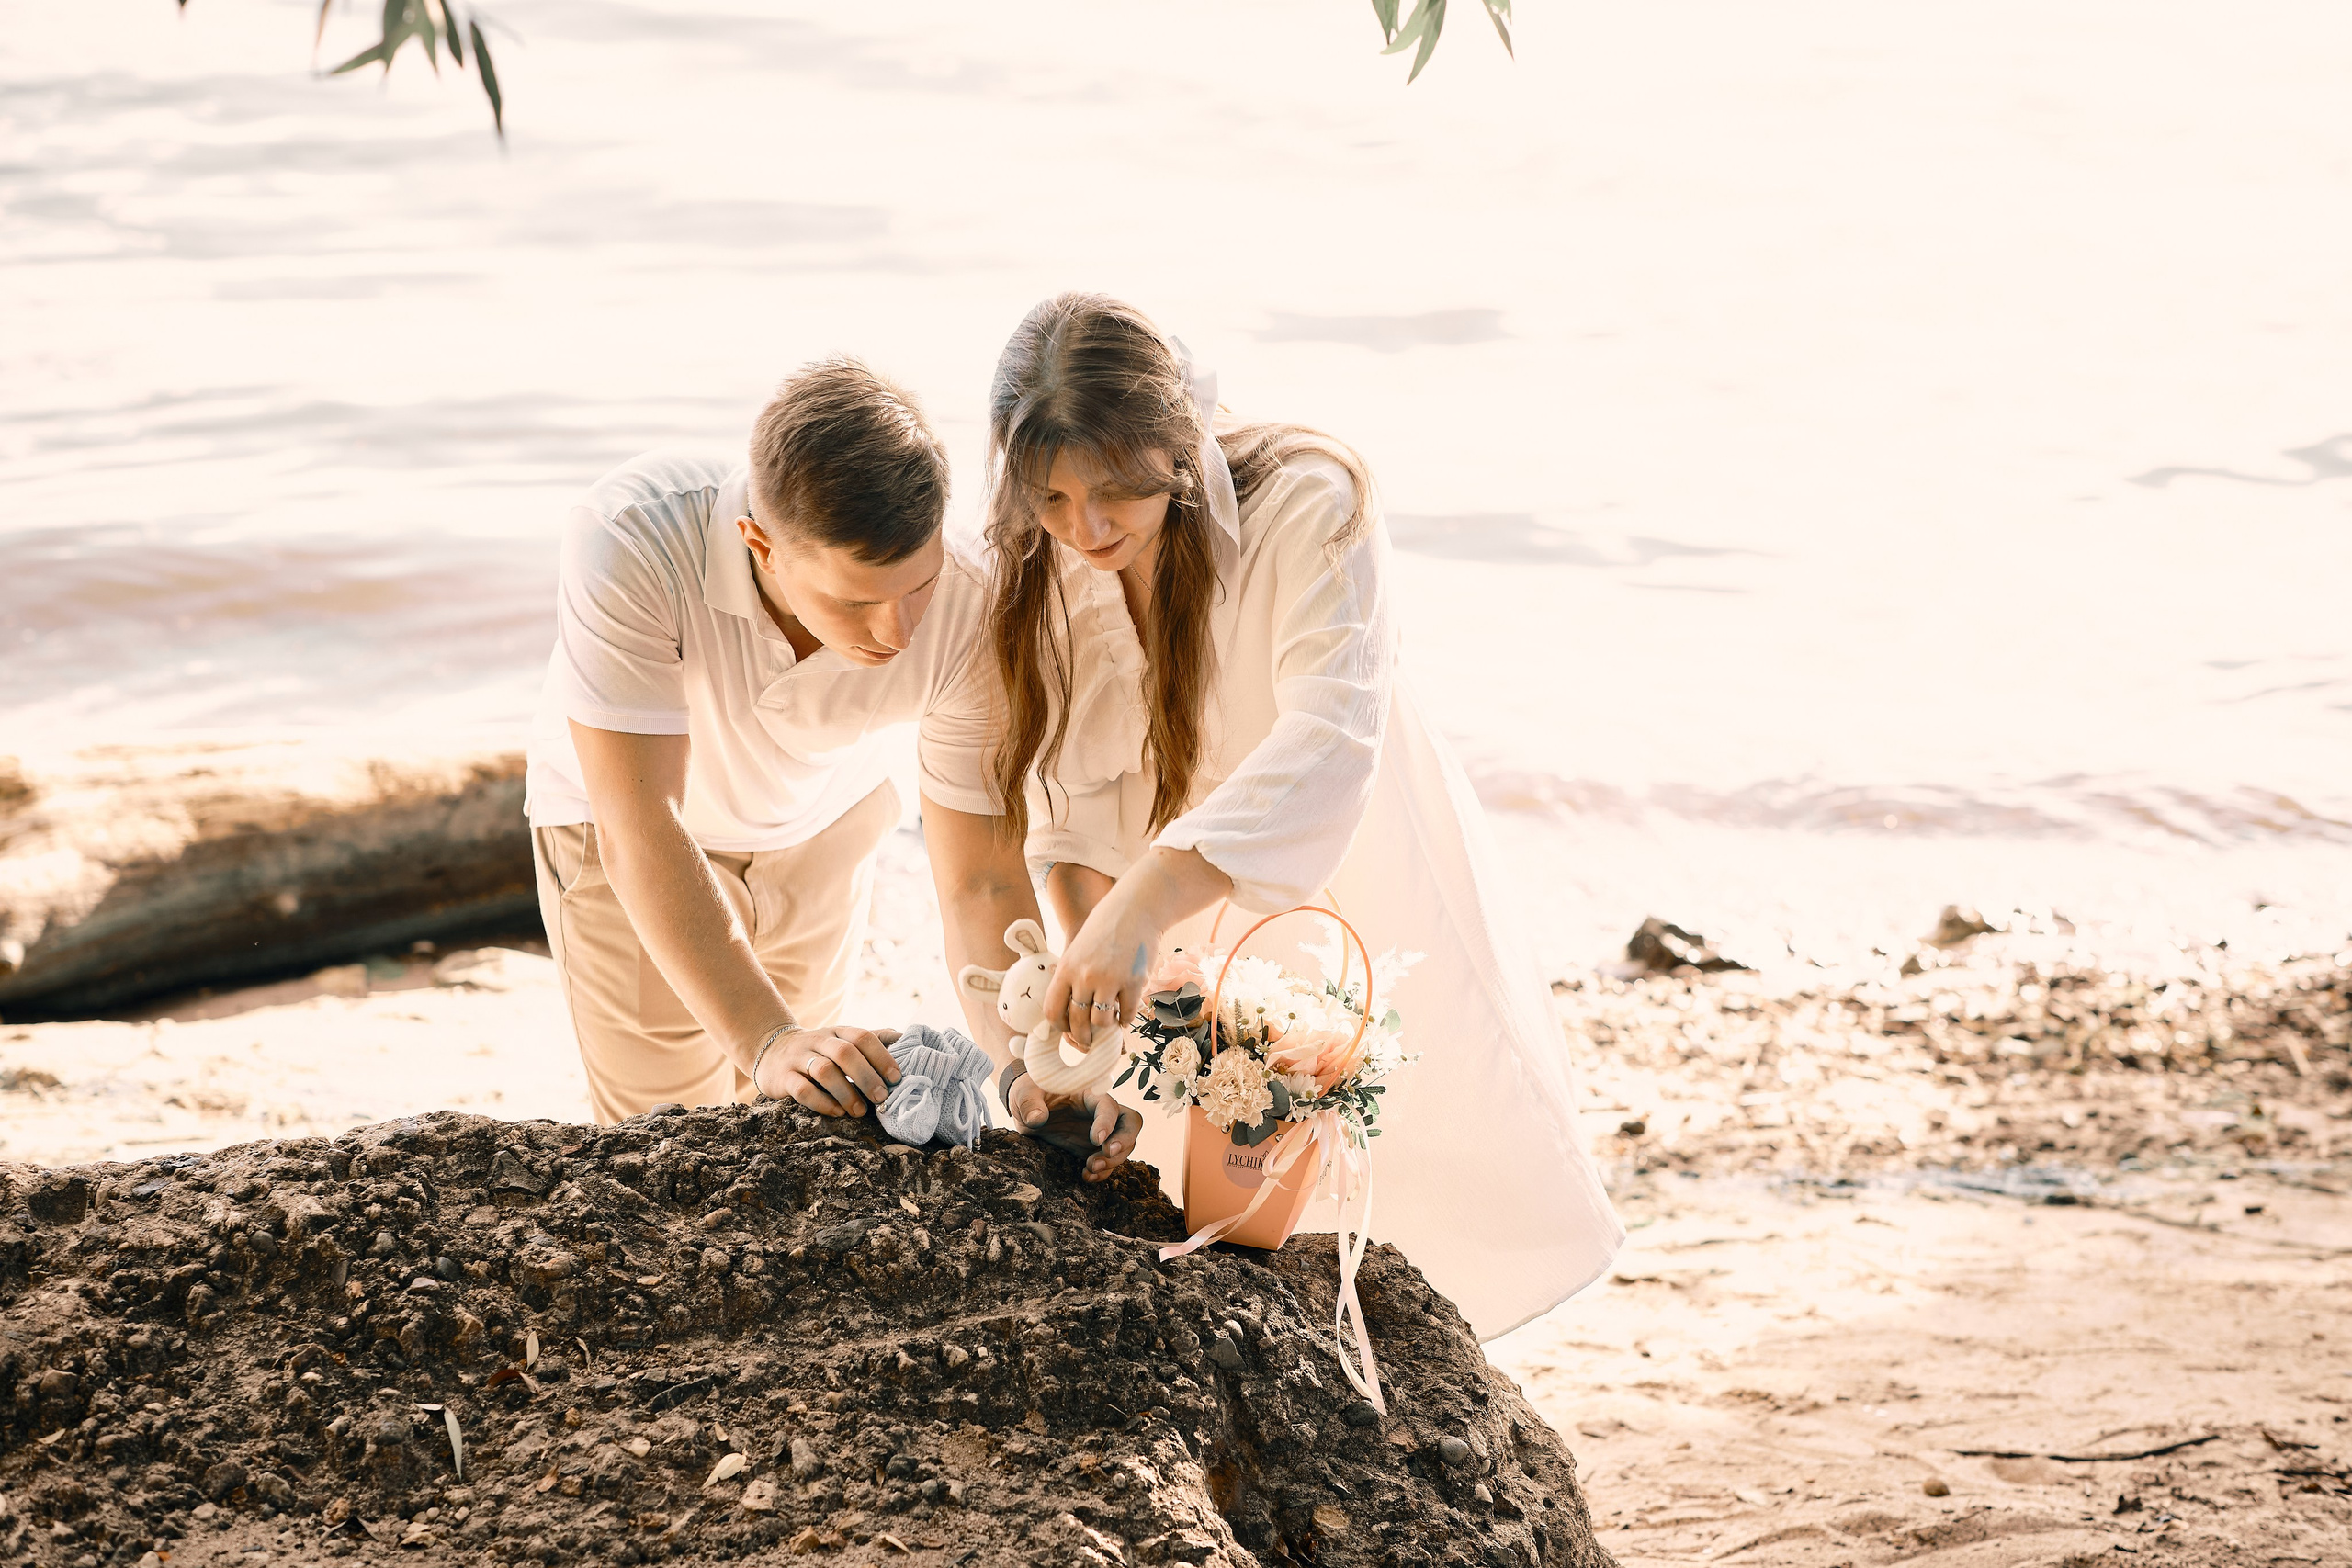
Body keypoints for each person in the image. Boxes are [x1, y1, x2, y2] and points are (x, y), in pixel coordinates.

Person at [978, 295, 1624, 1336]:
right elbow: (1068, 786)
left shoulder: (1315, 501)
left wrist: (1142, 902)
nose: (1084, 529)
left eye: (1112, 492)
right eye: (1049, 497)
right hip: (1165, 890)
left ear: (1174, 446)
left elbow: (1327, 736)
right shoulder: (1044, 554)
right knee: (1198, 1186)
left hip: (1338, 844)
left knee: (1405, 1149)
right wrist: (1088, 949)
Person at [523, 356, 1140, 1175]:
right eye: (855, 601)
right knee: (666, 1151)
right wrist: (768, 1036)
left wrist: (1031, 1068)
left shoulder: (969, 596)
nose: (895, 633)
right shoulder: (631, 537)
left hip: (825, 824)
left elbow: (982, 879)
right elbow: (641, 825)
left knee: (804, 1127)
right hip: (626, 841)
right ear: (760, 544)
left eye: (914, 587)